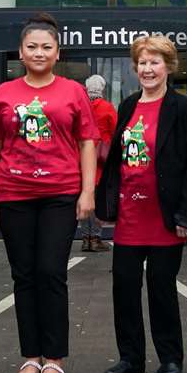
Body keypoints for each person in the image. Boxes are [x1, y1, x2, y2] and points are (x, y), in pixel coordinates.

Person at [0, 13, 100, 373]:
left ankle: (55, 360)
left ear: (57, 52)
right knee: (23, 275)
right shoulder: (4, 93)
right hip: (13, 195)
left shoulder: (73, 91)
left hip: (60, 196)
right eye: (32, 46)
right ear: (20, 51)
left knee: (51, 272)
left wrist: (87, 192)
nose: (39, 52)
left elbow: (87, 143)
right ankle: (31, 357)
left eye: (46, 46)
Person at [98, 35, 187, 373]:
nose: (148, 68)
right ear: (135, 67)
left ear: (168, 67)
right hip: (129, 217)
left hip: (165, 217)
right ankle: (131, 357)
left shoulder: (183, 109)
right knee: (124, 289)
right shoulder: (126, 106)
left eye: (155, 62)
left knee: (162, 289)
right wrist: (105, 202)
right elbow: (115, 162)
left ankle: (170, 358)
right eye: (142, 62)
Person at [80, 74, 117, 252]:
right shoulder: (107, 107)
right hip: (101, 160)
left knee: (84, 197)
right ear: (101, 88)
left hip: (82, 158)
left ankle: (85, 238)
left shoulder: (82, 106)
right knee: (96, 199)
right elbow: (116, 131)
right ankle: (95, 238)